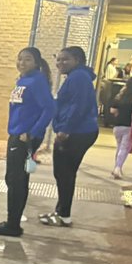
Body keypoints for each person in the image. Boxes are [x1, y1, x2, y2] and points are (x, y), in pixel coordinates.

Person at [0, 48, 55, 237]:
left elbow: (49, 108)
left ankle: (13, 224)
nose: (22, 63)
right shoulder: (23, 80)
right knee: (13, 178)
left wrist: (33, 133)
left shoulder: (37, 81)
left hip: (24, 136)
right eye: (19, 59)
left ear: (36, 62)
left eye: (27, 59)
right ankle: (12, 220)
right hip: (16, 133)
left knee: (16, 179)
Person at [39, 47, 99, 227]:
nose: (60, 63)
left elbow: (78, 105)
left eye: (66, 60)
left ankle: (63, 215)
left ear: (78, 60)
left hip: (77, 132)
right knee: (65, 173)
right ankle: (61, 212)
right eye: (58, 59)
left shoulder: (78, 77)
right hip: (78, 130)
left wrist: (66, 129)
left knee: (64, 173)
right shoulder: (77, 76)